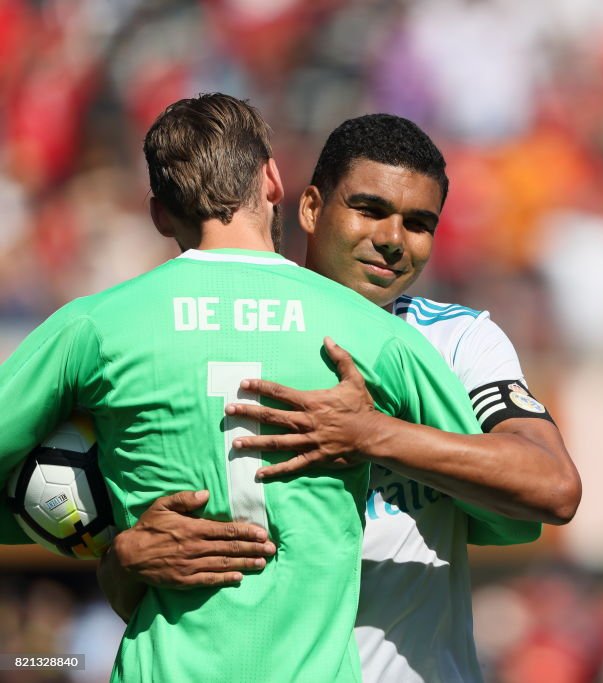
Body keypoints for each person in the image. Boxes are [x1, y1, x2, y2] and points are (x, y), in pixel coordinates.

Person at [0, 95, 492, 682]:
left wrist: (100, 542)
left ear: (159, 214)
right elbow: (513, 513)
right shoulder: (373, 332)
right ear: (274, 180)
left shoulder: (95, 326)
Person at [101, 114, 582, 682]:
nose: (393, 240)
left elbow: (552, 486)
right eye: (370, 210)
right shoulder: (212, 337)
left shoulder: (457, 341)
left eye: (419, 223)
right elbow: (139, 576)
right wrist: (123, 561)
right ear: (309, 208)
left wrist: (372, 435)